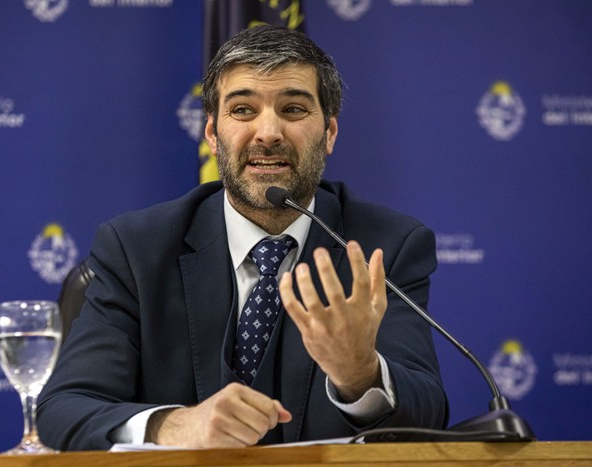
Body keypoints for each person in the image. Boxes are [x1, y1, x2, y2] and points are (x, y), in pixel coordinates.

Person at [37, 25, 448, 451]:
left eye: (293, 109)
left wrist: (361, 373)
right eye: (243, 110)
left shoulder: (384, 246)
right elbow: (64, 408)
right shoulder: (137, 248)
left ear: (329, 134)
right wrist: (174, 426)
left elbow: (429, 413)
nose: (268, 133)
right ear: (213, 135)